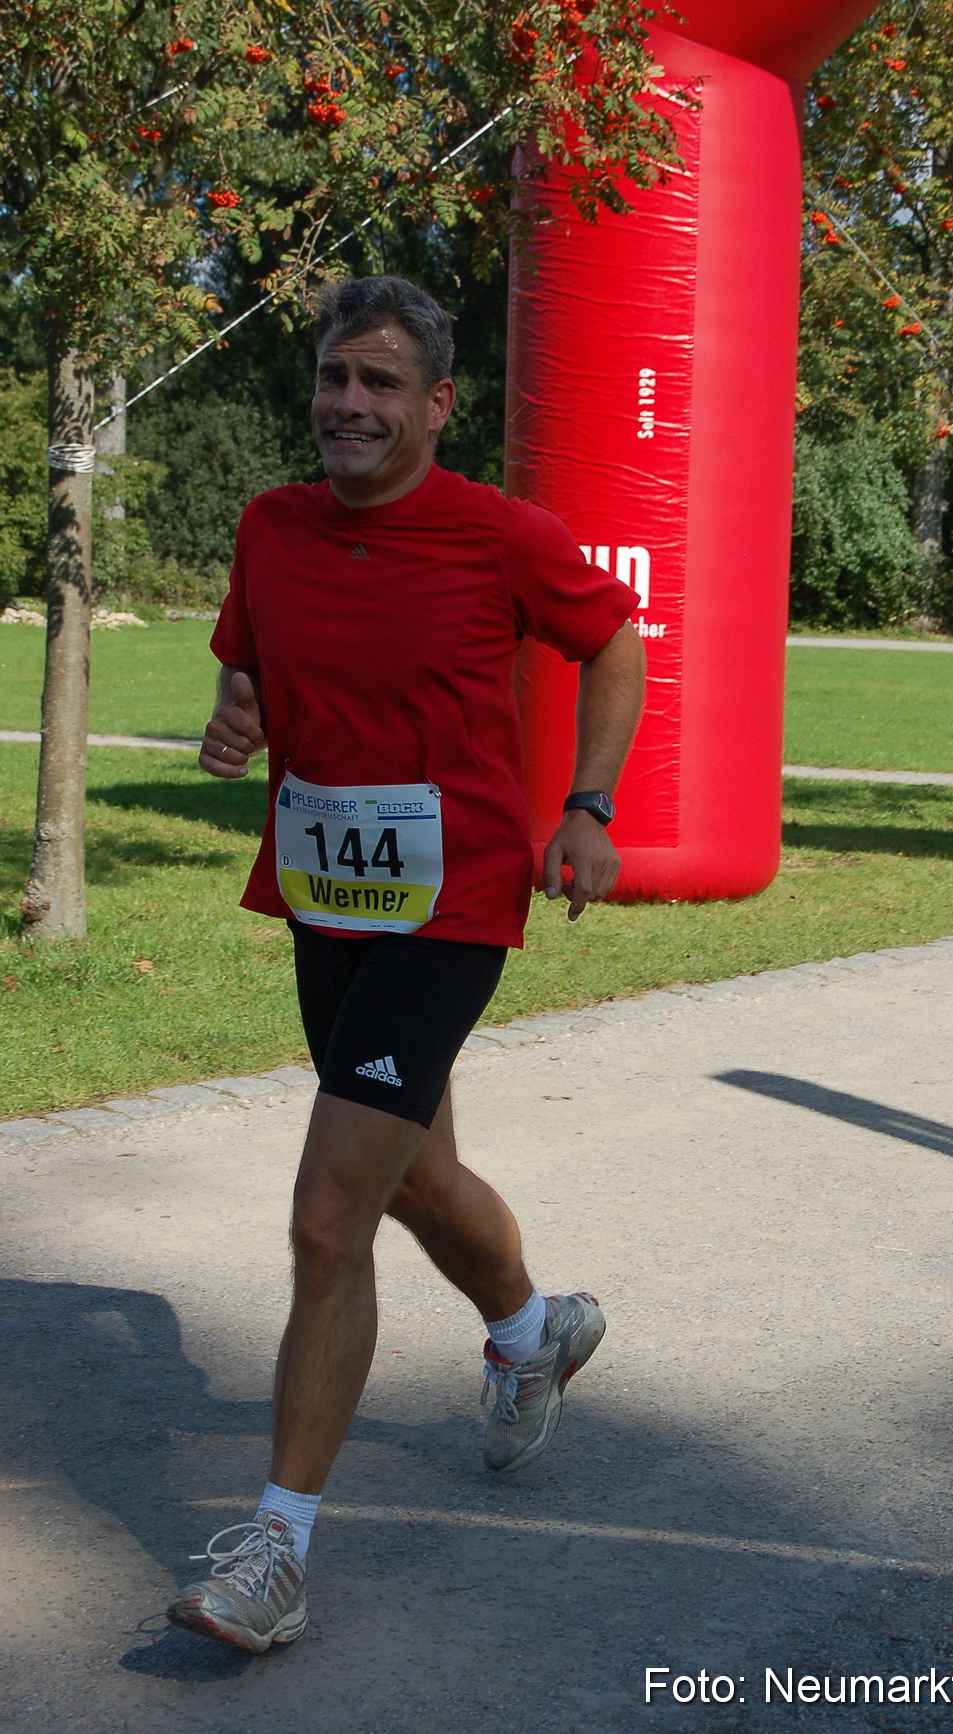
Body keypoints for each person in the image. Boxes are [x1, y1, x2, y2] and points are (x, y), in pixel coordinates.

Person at [166, 275, 646, 1654]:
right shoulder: (271, 527)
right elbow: (247, 669)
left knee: (331, 1215)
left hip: (455, 897)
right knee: (412, 1169)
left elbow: (611, 641)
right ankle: (529, 1326)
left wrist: (589, 804)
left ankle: (276, 1553)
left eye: (381, 383)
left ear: (438, 403)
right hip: (327, 895)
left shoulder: (497, 533)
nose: (350, 405)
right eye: (334, 377)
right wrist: (233, 719)